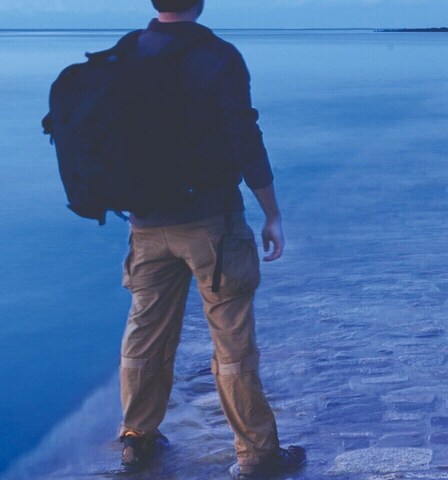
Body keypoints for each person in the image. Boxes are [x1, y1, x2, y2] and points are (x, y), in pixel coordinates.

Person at [112, 0, 304, 477]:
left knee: (145, 333)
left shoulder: (125, 53)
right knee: (232, 340)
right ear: (199, 2)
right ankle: (257, 454)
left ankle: (138, 437)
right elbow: (245, 137)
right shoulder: (220, 57)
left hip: (145, 223)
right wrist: (272, 212)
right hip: (211, 222)